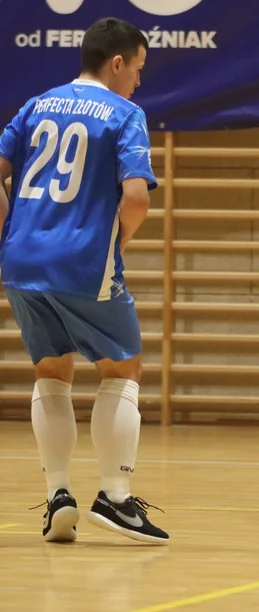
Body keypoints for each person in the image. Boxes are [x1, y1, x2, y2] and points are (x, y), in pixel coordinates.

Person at [0, 17, 168, 545]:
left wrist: (11, 231)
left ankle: (58, 497)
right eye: (137, 69)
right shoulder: (125, 114)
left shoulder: (35, 104)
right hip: (82, 259)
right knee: (123, 366)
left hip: (21, 260)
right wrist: (117, 246)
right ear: (116, 63)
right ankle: (115, 499)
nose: (138, 81)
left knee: (51, 369)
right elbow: (137, 197)